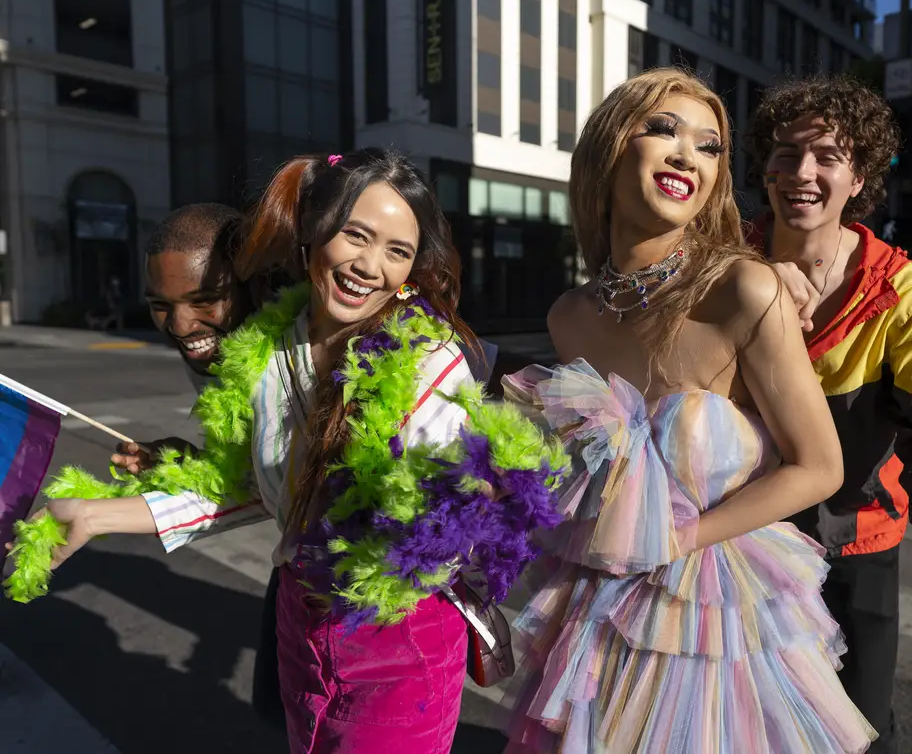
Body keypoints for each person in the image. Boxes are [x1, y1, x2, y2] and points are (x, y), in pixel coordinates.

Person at [9, 149, 564, 753]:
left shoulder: (429, 362)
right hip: (300, 622)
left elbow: (434, 519)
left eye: (397, 251)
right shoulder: (266, 352)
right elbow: (250, 489)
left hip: (396, 636)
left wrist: (463, 498)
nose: (370, 266)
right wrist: (92, 515)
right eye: (357, 236)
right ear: (313, 237)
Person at [500, 68, 875, 753]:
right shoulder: (569, 317)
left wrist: (675, 539)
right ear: (610, 148)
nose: (686, 156)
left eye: (709, 146)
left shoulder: (742, 289)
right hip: (597, 611)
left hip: (716, 616)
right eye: (663, 130)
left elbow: (819, 467)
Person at [744, 73, 912, 752]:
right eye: (786, 153)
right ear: (763, 168)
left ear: (859, 180)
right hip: (738, 544)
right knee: (745, 724)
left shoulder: (904, 292)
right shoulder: (724, 266)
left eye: (828, 157)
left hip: (857, 547)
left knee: (859, 729)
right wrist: (759, 286)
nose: (802, 172)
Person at [114, 202, 284, 726]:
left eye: (204, 299)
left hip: (372, 581)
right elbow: (252, 463)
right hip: (302, 561)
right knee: (280, 708)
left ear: (251, 285)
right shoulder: (214, 345)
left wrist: (104, 516)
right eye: (160, 305)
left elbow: (274, 485)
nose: (181, 325)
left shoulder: (294, 351)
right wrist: (186, 459)